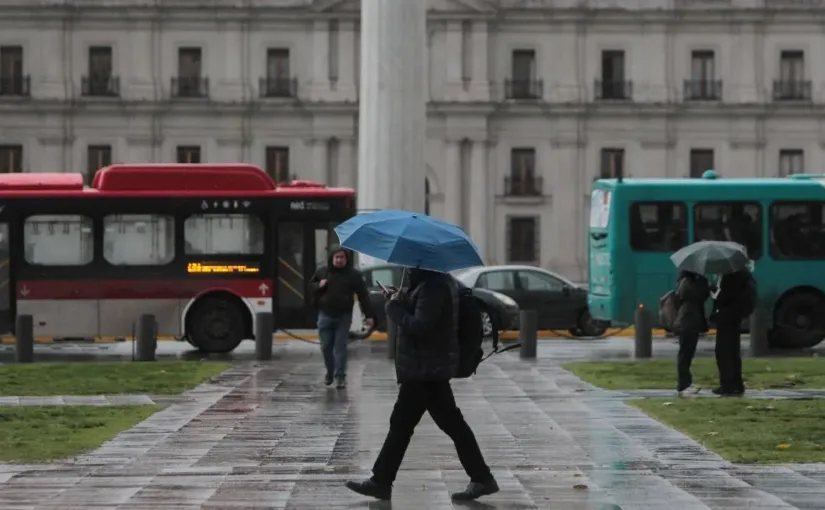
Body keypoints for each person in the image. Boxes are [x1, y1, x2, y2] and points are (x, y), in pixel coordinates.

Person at [344, 268, 499, 502]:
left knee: (403, 424)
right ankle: (482, 478)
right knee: (446, 424)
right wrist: (402, 298)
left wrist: (394, 308)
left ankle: (381, 481)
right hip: (427, 368)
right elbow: (425, 315)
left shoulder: (434, 287)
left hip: (425, 369)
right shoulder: (433, 283)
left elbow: (422, 326)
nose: (407, 265)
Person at [309, 246, 374, 389]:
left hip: (343, 316)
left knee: (340, 347)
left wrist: (369, 315)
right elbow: (311, 286)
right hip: (325, 315)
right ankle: (330, 372)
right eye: (336, 257)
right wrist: (319, 285)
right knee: (326, 347)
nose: (339, 260)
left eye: (342, 257)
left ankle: (340, 377)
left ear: (346, 259)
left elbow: (363, 295)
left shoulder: (353, 275)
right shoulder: (323, 271)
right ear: (332, 258)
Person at [712, 267, 753, 396]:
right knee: (733, 351)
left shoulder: (731, 277)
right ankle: (736, 384)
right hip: (735, 317)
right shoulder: (744, 275)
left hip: (727, 317)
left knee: (724, 351)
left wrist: (715, 293)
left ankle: (727, 385)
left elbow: (725, 297)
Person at [674, 270, 711, 396]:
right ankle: (683, 384)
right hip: (688, 322)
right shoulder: (687, 283)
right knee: (685, 354)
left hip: (691, 322)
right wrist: (703, 281)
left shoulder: (688, 282)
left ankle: (686, 383)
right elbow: (699, 294)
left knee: (687, 354)